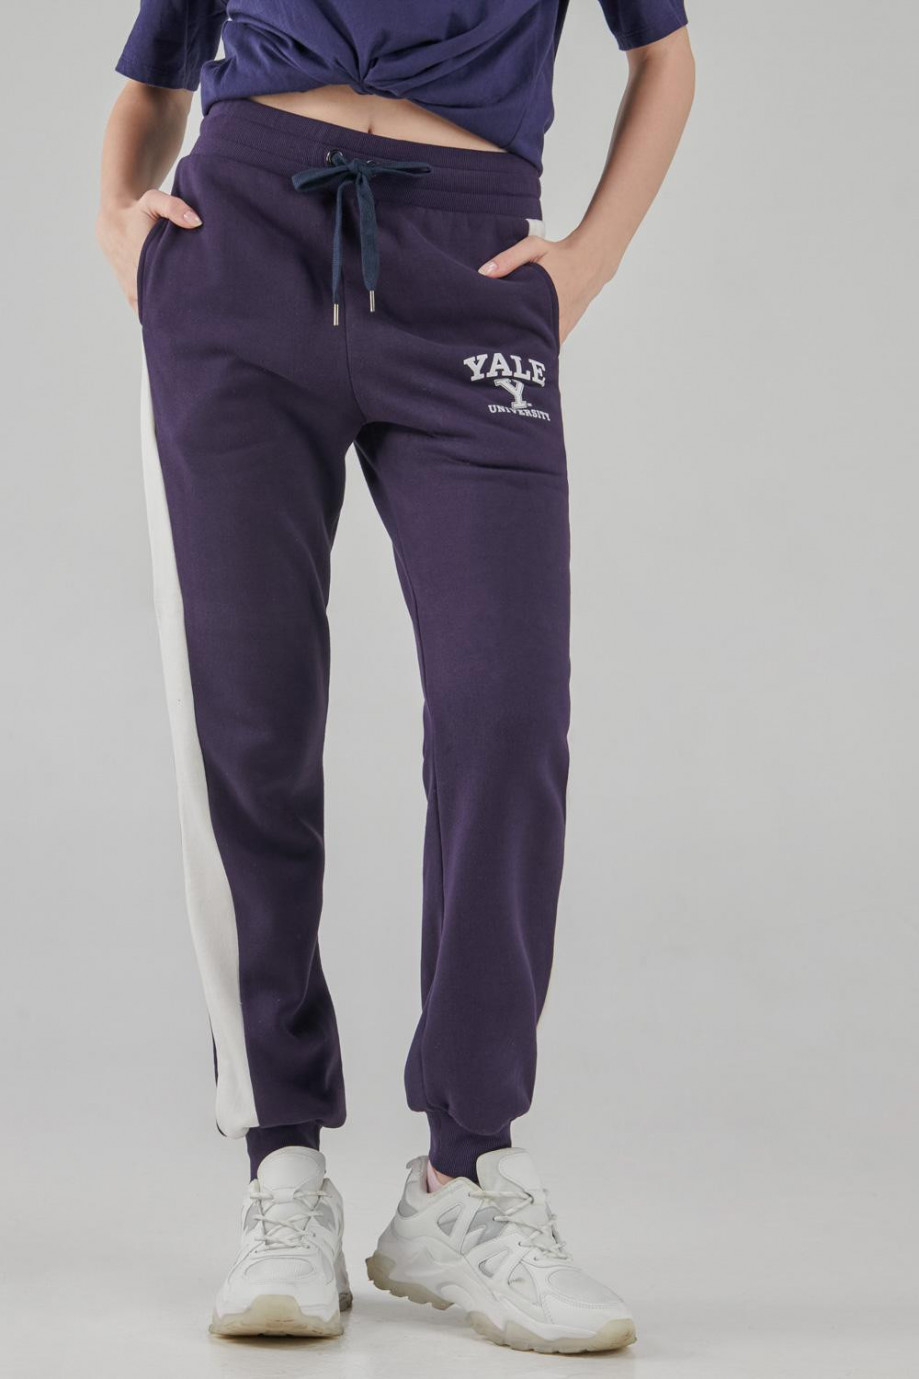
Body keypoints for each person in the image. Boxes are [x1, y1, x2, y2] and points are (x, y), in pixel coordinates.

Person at [97, 0, 694, 1354]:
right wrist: (117, 220)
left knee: (507, 716)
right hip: (238, 251)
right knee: (246, 721)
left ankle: (462, 1175)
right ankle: (281, 1167)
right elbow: (157, 71)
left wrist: (585, 265)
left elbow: (665, 55)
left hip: (470, 266)